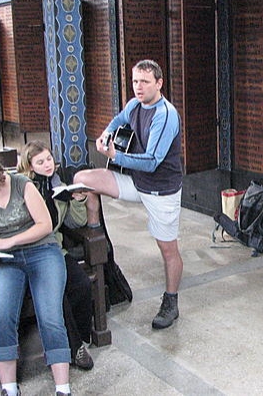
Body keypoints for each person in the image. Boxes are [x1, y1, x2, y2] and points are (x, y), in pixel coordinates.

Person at [73, 59, 183, 330]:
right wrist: (106, 134)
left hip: (160, 189)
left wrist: (115, 156)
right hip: (135, 180)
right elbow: (119, 119)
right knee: (83, 179)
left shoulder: (165, 115)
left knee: (168, 249)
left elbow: (152, 161)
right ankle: (97, 239)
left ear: (159, 83)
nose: (138, 87)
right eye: (135, 81)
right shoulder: (134, 105)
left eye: (145, 81)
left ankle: (171, 301)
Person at [0, 144, 72, 396]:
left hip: (42, 251)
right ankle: (9, 388)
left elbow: (45, 225)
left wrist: (9, 240)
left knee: (50, 317)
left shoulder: (22, 184)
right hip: (8, 259)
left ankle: (62, 388)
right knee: (2, 318)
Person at [17, 141, 94, 370]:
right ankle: (75, 348)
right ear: (30, 166)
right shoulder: (23, 187)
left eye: (49, 159)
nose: (47, 165)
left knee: (82, 285)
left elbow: (76, 222)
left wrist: (77, 201)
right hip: (31, 251)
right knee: (57, 293)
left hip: (55, 249)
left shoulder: (59, 185)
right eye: (40, 162)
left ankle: (80, 337)